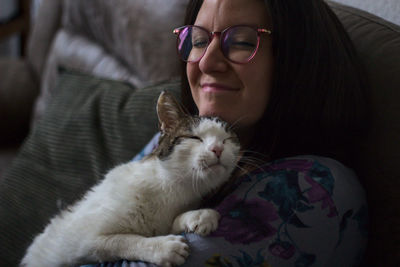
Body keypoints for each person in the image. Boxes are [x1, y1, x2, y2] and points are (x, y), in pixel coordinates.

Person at [83, 0, 369, 266]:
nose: (206, 62)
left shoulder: (309, 185)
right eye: (198, 41)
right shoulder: (177, 141)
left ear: (299, 59)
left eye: (242, 42)